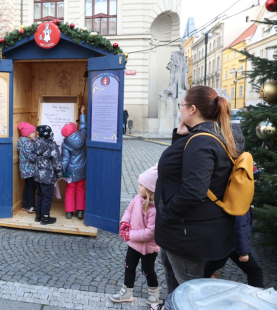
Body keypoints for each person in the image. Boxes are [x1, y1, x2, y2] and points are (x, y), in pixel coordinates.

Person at [154, 86, 245, 298]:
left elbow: (193, 191)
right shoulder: (207, 136)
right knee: (177, 287)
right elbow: (178, 167)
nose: (180, 110)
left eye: (182, 105)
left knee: (190, 294)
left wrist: (168, 212)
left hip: (187, 232)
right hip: (190, 229)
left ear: (192, 109)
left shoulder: (202, 141)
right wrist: (180, 137)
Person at [203, 165, 264, 288]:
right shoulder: (242, 197)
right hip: (233, 243)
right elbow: (240, 226)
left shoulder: (230, 187)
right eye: (254, 181)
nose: (255, 184)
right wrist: (243, 252)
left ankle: (193, 285)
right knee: (255, 272)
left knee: (209, 268)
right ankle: (257, 300)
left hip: (223, 240)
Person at [110, 166, 161, 306]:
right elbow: (129, 210)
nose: (138, 187)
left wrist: (130, 234)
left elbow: (151, 232)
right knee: (129, 265)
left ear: (150, 189)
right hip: (134, 244)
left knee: (147, 270)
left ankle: (154, 292)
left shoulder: (154, 209)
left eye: (141, 185)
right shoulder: (137, 199)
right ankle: (127, 291)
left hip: (149, 247)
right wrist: (124, 222)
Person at [61, 105, 87, 219]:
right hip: (82, 169)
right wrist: (82, 113)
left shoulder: (65, 144)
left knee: (70, 190)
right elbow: (83, 127)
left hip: (69, 171)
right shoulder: (82, 136)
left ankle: (69, 212)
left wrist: (60, 171)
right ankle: (80, 211)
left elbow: (65, 160)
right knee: (80, 189)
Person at [34, 125, 63, 225]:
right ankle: (45, 218)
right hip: (48, 175)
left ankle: (38, 216)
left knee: (40, 195)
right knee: (47, 197)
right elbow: (57, 162)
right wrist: (59, 175)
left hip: (38, 174)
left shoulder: (36, 143)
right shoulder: (51, 145)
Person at [17, 122, 38, 214]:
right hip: (30, 169)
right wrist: (39, 156)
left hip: (24, 169)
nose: (35, 134)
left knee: (27, 186)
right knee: (32, 187)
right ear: (27, 134)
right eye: (33, 132)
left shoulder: (21, 141)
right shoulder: (28, 144)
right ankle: (31, 206)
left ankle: (24, 205)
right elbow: (31, 157)